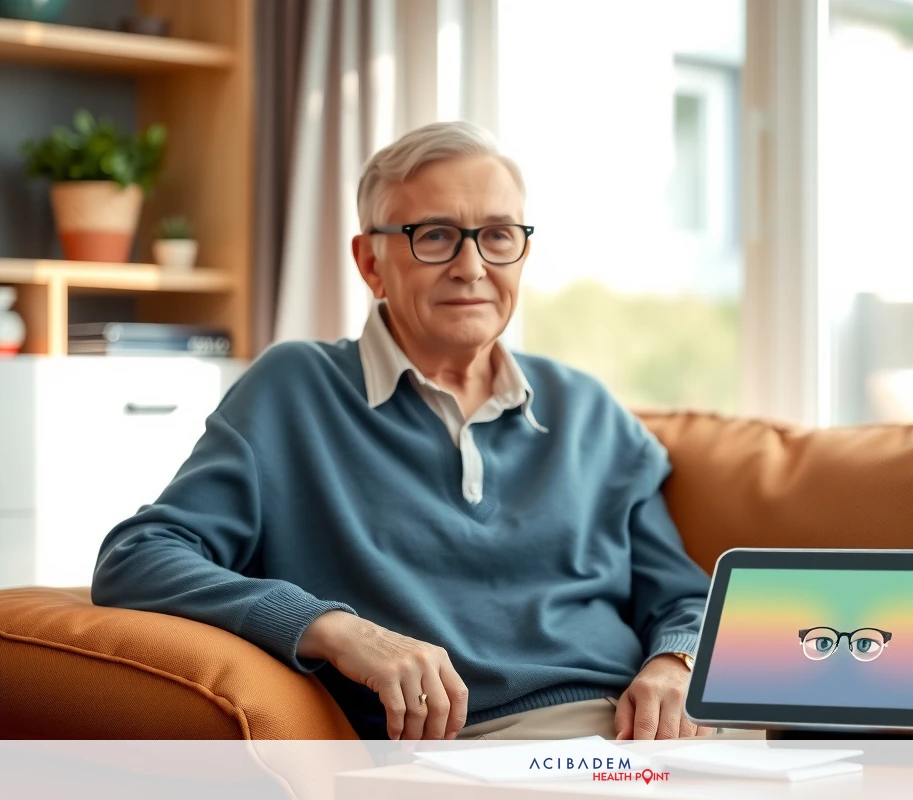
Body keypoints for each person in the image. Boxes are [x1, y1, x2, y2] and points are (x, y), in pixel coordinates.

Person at [92, 120, 724, 742]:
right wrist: (337, 630)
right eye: (436, 236)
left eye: (499, 236)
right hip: (491, 746)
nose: (472, 267)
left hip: (648, 735)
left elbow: (684, 598)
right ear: (371, 261)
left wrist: (677, 662)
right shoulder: (295, 390)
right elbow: (137, 559)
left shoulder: (587, 408)